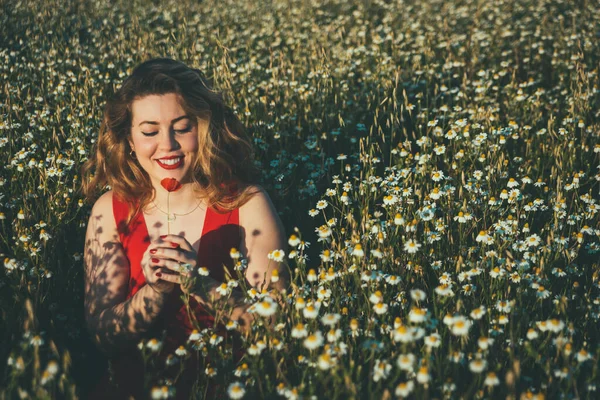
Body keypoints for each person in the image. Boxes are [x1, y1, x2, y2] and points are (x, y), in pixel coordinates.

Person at [80, 58, 287, 399]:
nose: (168, 144)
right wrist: (155, 293)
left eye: (182, 126)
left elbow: (273, 329)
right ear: (129, 140)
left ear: (203, 129)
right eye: (149, 131)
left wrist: (198, 283)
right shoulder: (110, 210)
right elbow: (104, 338)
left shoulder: (247, 204)